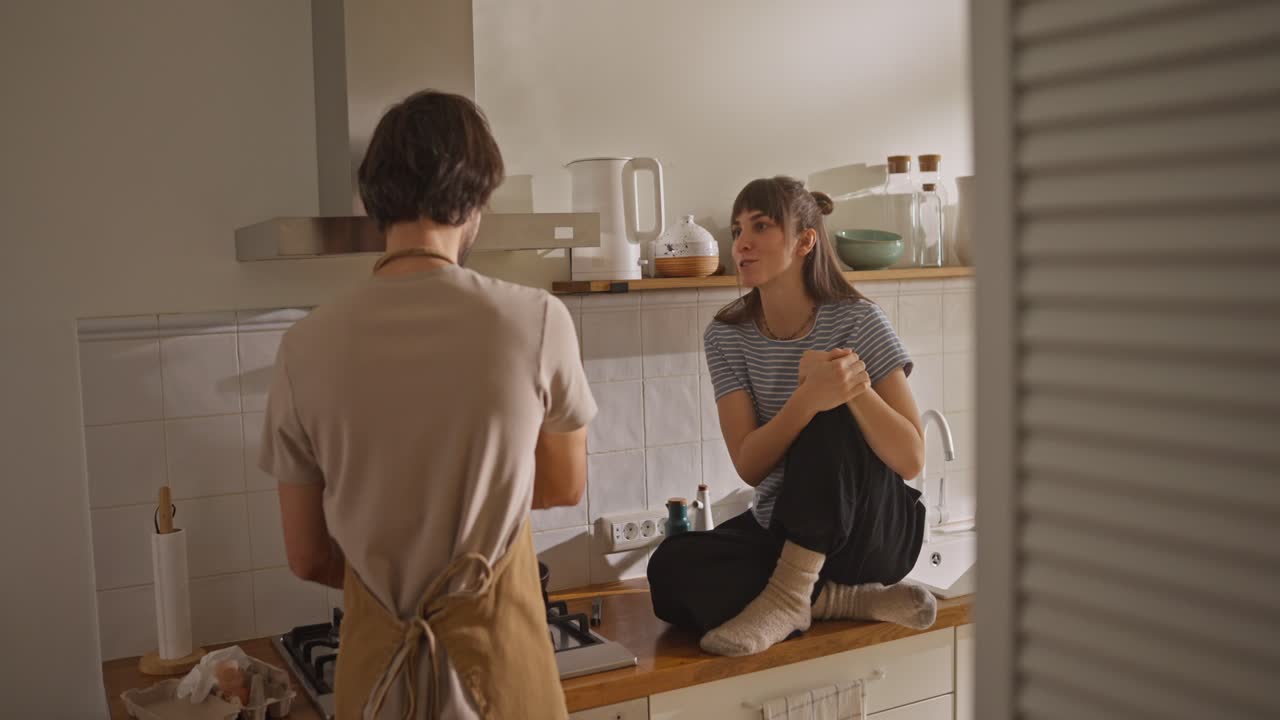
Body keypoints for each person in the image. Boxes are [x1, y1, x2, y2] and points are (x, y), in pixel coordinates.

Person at [259, 90, 595, 719]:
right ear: (475, 201)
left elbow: (306, 555)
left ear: (374, 202)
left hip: (376, 682)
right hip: (500, 677)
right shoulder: (536, 320)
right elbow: (563, 484)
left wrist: (396, 580)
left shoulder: (303, 348)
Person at [647, 176, 936, 657]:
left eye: (761, 226)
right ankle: (833, 599)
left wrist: (850, 386)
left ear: (806, 240)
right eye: (738, 229)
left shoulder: (858, 320)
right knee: (668, 570)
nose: (742, 242)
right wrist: (805, 398)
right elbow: (750, 465)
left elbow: (911, 459)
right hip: (783, 529)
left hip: (872, 529)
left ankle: (788, 598)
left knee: (832, 414)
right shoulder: (726, 335)